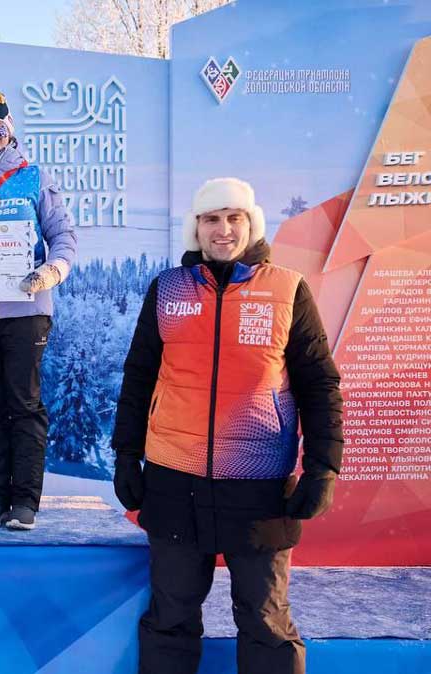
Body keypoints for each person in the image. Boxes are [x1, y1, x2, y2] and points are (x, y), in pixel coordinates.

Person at [112, 178, 343, 674]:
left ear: (251, 223)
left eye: (234, 217)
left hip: (259, 486)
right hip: (175, 481)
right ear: (195, 227)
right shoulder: (168, 289)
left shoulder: (287, 289)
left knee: (266, 622)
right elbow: (139, 376)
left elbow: (319, 384)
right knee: (170, 618)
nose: (223, 229)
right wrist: (126, 454)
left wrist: (323, 468)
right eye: (211, 218)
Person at [0, 75, 78, 530]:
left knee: (24, 403)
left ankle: (25, 500)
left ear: (10, 128)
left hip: (28, 309)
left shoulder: (34, 176)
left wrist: (51, 272)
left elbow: (63, 237)